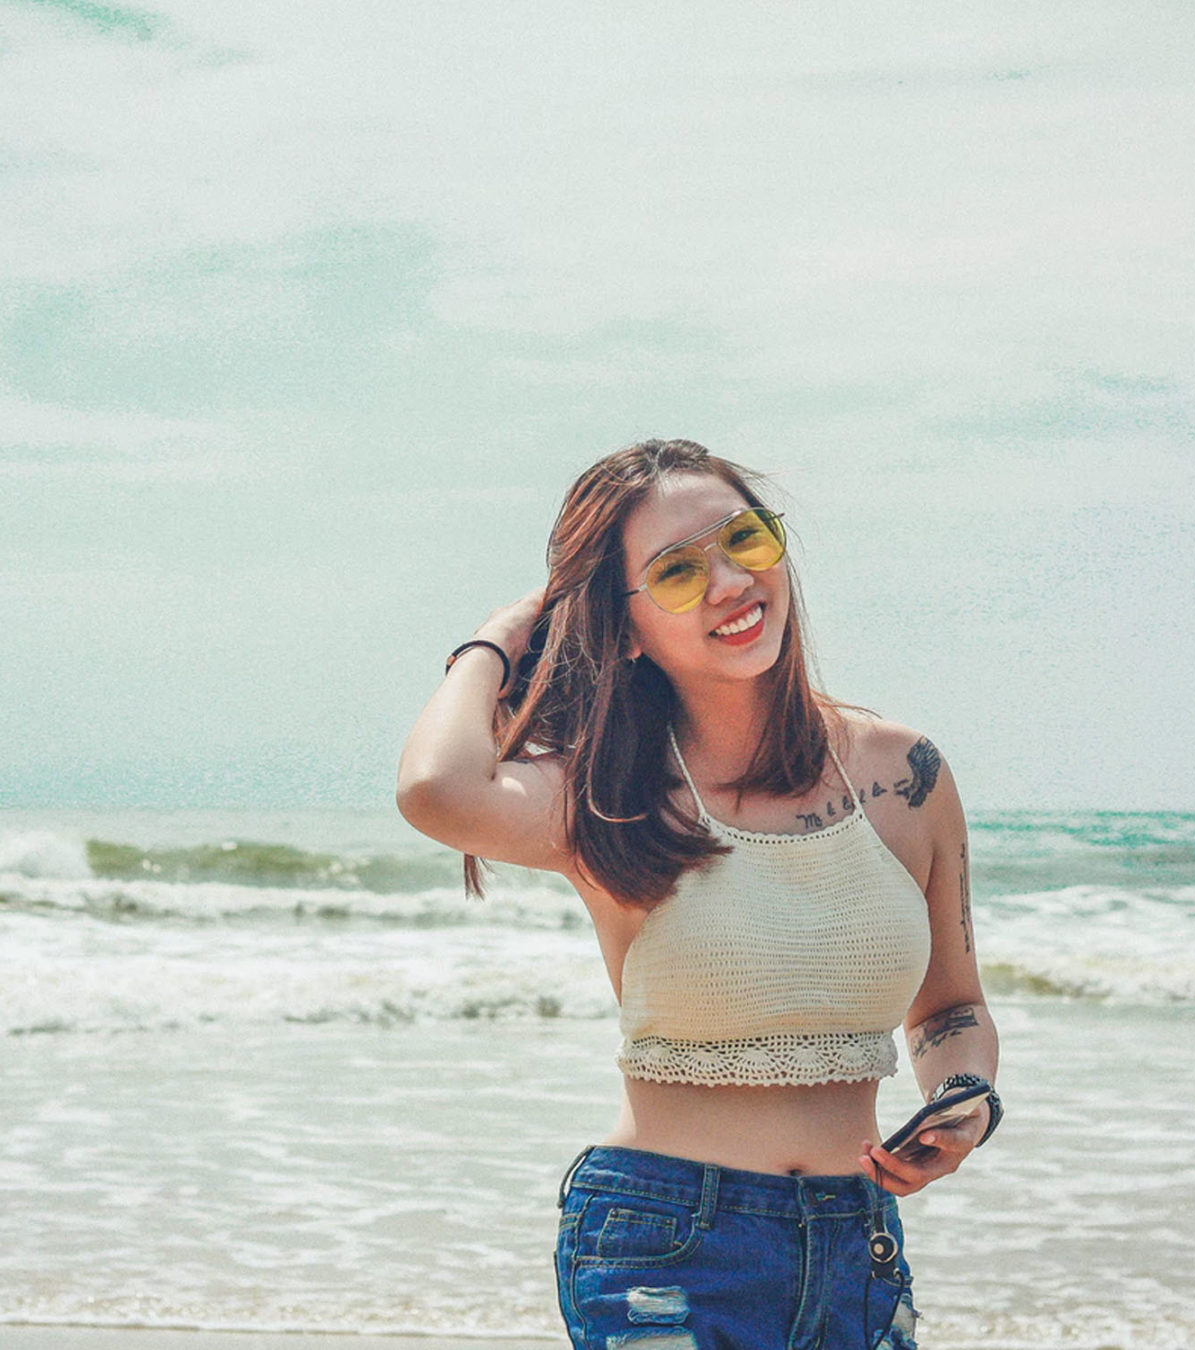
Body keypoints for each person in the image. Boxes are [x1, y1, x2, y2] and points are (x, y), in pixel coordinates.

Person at [397, 438, 1000, 1350]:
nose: (730, 582)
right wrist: (498, 636)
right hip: (664, 1240)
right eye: (677, 572)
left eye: (745, 540)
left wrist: (965, 1099)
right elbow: (433, 788)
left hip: (857, 1246)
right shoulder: (604, 794)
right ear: (626, 628)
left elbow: (952, 1007)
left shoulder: (904, 774)